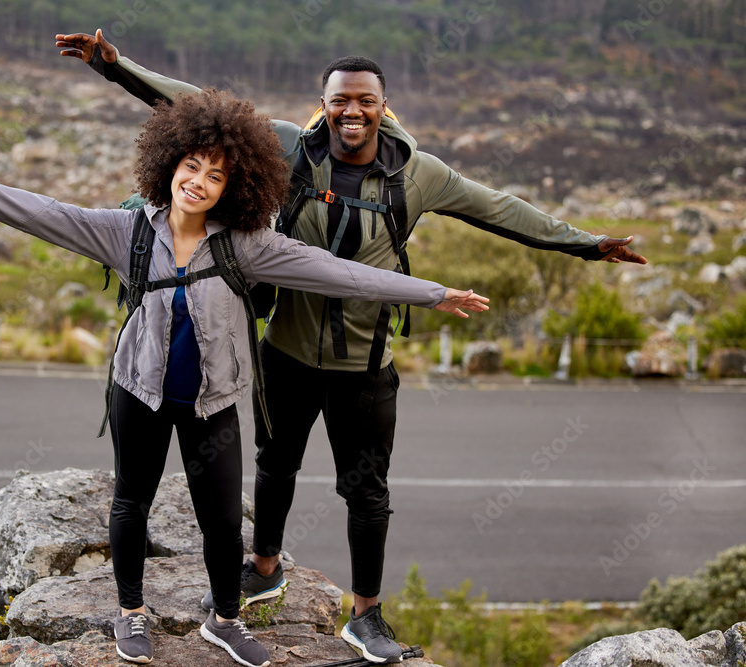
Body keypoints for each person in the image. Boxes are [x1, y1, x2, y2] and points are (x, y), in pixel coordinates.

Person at [55, 30, 649, 664]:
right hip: (283, 350)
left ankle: (365, 616)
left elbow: (498, 207)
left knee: (366, 491)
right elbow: (197, 106)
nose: (352, 111)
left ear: (383, 107)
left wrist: (586, 243)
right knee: (274, 465)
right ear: (324, 103)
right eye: (341, 100)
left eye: (366, 100)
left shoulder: (418, 176)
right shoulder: (289, 148)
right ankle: (264, 568)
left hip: (364, 365)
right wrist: (115, 68)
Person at [0, 89, 489, 667]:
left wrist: (433, 294)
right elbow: (43, 214)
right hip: (140, 392)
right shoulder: (125, 232)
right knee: (132, 502)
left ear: (235, 189)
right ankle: (130, 610)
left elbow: (342, 275)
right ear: (171, 164)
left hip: (212, 403)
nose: (199, 182)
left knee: (224, 520)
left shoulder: (248, 247)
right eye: (192, 166)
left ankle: (225, 621)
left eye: (216, 176)